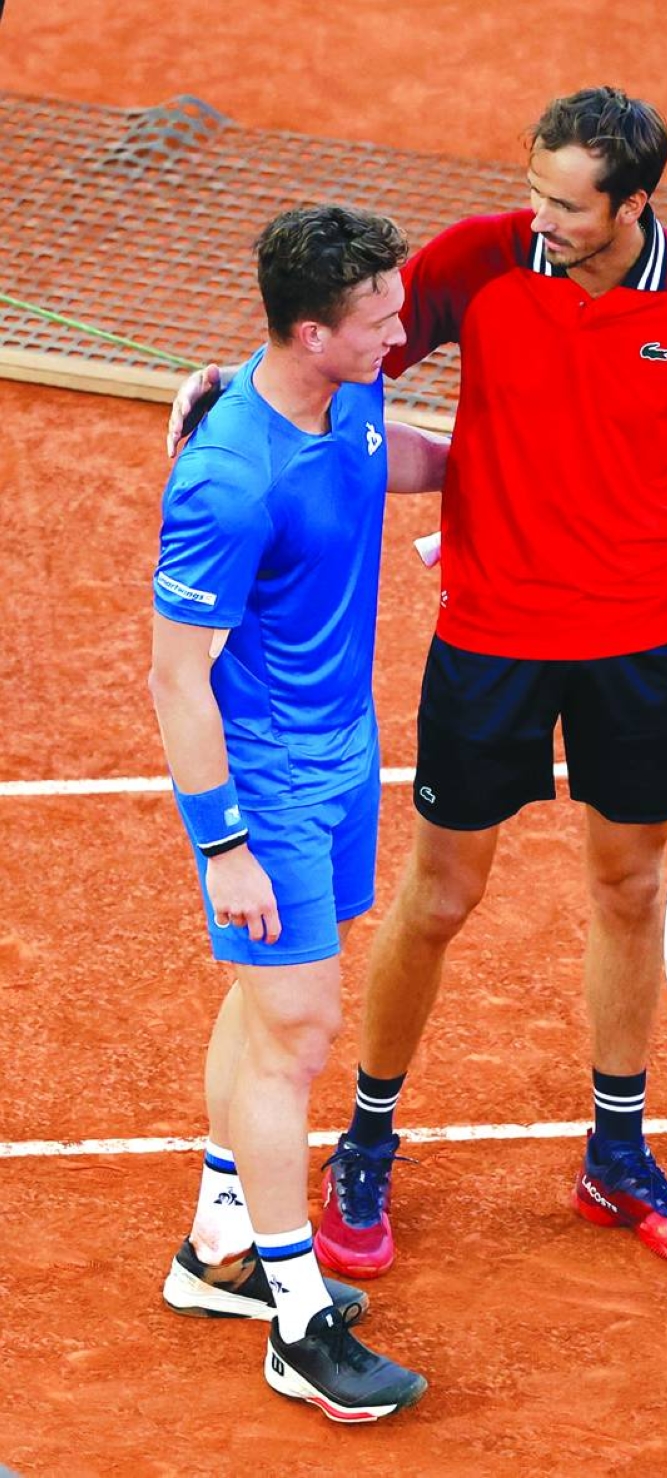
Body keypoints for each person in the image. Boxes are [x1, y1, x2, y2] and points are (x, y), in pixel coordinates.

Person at [168, 86, 667, 1283]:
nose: (538, 215)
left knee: (628, 881)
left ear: (633, 201)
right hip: (491, 634)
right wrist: (237, 420)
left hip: (637, 639)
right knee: (440, 892)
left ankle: (616, 1149)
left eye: (565, 201)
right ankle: (367, 1138)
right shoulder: (479, 262)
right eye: (536, 189)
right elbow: (342, 363)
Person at [151, 203, 450, 1423]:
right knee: (300, 1028)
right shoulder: (229, 476)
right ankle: (294, 1314)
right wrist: (222, 840)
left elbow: (413, 458)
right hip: (265, 780)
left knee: (262, 1008)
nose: (401, 326)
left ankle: (218, 1240)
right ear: (315, 328)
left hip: (343, 755)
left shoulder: (354, 397)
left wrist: (554, 455)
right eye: (380, 314)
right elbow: (175, 675)